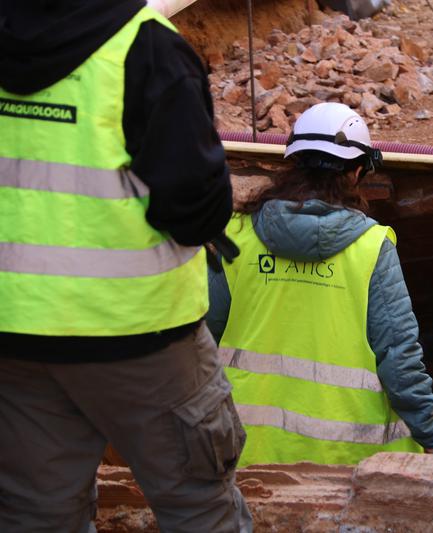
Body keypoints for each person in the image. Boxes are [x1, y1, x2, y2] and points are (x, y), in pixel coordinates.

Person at [0, 1, 252, 531]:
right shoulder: (147, 47)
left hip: (14, 335)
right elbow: (192, 210)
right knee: (197, 503)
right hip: (141, 335)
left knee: (34, 513)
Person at [207, 102, 433, 466]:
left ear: (294, 162)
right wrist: (431, 434)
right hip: (349, 458)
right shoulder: (371, 248)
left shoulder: (236, 237)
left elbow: (199, 337)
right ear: (356, 172)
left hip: (248, 451)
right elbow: (398, 355)